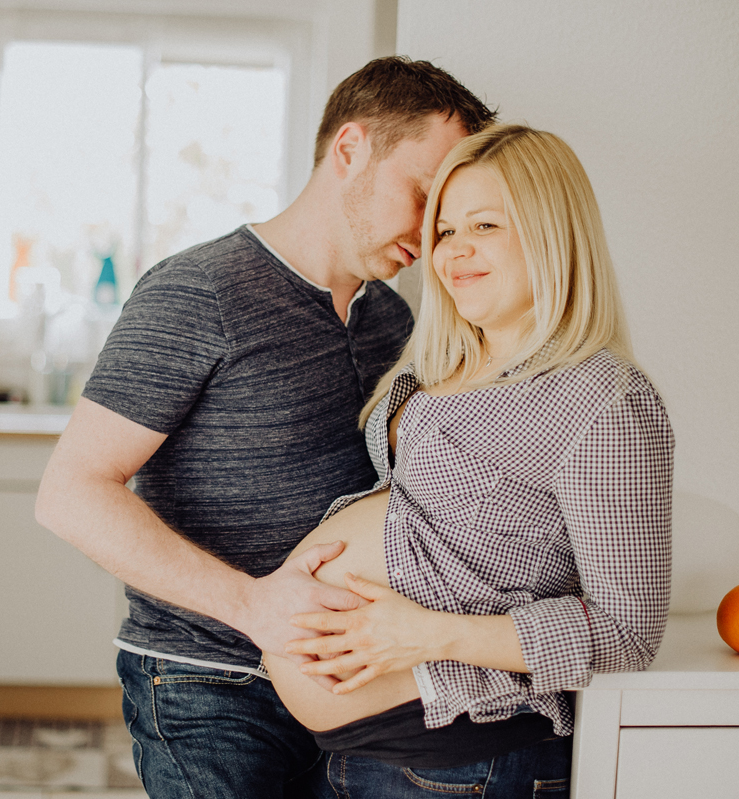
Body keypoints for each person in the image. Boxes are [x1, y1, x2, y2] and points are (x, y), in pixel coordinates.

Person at [35, 57, 496, 798]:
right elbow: (70, 492)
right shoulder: (200, 290)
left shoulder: (394, 319)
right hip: (210, 684)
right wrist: (255, 607)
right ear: (350, 150)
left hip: (348, 684)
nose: (434, 228)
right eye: (422, 191)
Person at [262, 124, 675, 797]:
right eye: (445, 231)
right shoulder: (440, 366)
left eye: (484, 225)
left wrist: (424, 634)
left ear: (552, 234)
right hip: (357, 752)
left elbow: (627, 631)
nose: (454, 252)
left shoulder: (602, 400)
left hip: (460, 762)